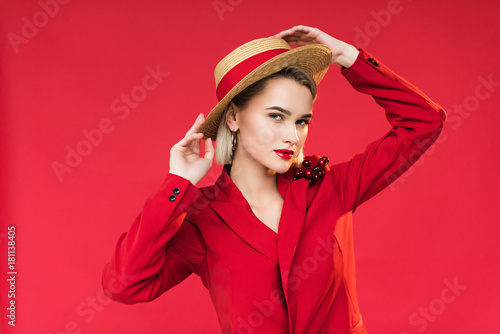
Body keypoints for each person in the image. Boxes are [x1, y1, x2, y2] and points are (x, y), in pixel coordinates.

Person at [101, 25, 446, 333]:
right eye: (277, 116)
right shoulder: (201, 220)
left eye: (301, 120)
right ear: (234, 117)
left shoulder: (332, 188)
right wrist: (177, 183)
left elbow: (424, 122)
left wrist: (345, 57)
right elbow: (124, 284)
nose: (292, 136)